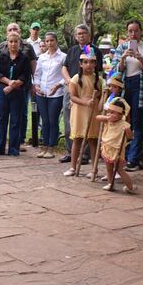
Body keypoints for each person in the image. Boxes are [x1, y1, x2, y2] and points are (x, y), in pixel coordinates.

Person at [110, 20, 143, 171]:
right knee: (122, 119)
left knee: (136, 122)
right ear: (127, 32)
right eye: (130, 31)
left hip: (139, 87)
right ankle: (122, 155)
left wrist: (140, 59)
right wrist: (123, 58)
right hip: (124, 86)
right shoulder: (122, 47)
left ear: (141, 32)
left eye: (136, 31)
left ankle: (133, 159)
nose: (133, 34)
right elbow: (116, 70)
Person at [60, 25, 103, 162]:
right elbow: (64, 67)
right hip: (72, 87)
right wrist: (69, 81)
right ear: (75, 36)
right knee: (70, 121)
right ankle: (71, 152)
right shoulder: (72, 50)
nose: (81, 35)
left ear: (89, 35)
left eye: (84, 33)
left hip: (88, 89)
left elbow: (99, 70)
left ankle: (84, 155)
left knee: (87, 124)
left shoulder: (93, 50)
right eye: (79, 33)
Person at [0, 23, 37, 147]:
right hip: (3, 90)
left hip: (19, 90)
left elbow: (26, 74)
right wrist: (8, 82)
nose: (13, 44)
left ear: (19, 42)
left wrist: (13, 85)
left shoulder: (24, 57)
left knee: (16, 120)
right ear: (7, 41)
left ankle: (14, 148)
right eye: (11, 41)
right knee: (2, 119)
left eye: (15, 41)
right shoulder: (2, 55)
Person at [65, 46, 101, 176]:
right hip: (79, 111)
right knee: (77, 139)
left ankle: (94, 169)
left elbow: (101, 95)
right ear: (80, 64)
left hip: (93, 111)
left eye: (92, 62)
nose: (89, 65)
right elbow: (73, 97)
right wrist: (85, 102)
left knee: (92, 140)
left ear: (95, 64)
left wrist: (98, 98)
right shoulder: (75, 79)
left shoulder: (98, 79)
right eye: (85, 62)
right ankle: (73, 167)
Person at [33, 31, 66, 158]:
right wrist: (36, 86)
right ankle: (44, 145)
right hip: (42, 92)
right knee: (44, 120)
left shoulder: (63, 57)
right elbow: (37, 74)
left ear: (56, 41)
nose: (49, 43)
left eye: (52, 40)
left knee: (53, 120)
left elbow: (66, 75)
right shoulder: (42, 57)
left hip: (56, 93)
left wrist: (58, 85)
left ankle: (51, 147)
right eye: (47, 41)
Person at [96, 96, 136, 192]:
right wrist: (107, 117)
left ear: (121, 115)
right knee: (109, 168)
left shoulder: (124, 124)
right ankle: (110, 184)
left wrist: (127, 131)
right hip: (107, 147)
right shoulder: (108, 120)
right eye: (109, 112)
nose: (110, 114)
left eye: (113, 113)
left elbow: (130, 137)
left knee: (119, 169)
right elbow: (97, 117)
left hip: (117, 150)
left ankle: (130, 187)